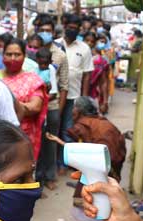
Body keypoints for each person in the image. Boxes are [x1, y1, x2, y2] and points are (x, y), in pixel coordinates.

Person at [0, 38, 48, 159]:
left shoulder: (32, 79)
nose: (12, 58)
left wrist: (7, 106)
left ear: (24, 56)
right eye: (9, 54)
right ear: (3, 55)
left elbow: (35, 106)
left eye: (17, 55)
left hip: (23, 136)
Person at [34, 14, 68, 190]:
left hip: (53, 106)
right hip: (33, 106)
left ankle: (49, 176)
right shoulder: (32, 51)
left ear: (54, 32)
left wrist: (59, 111)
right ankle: (35, 178)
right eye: (42, 30)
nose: (45, 33)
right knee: (35, 142)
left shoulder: (60, 55)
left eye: (48, 30)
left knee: (50, 142)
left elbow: (64, 85)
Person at [58, 14, 93, 148]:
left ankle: (65, 164)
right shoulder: (56, 44)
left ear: (79, 30)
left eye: (75, 28)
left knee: (69, 131)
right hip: (55, 97)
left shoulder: (84, 49)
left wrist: (82, 99)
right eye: (70, 27)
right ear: (65, 27)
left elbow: (87, 75)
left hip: (73, 97)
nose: (72, 30)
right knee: (54, 128)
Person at [83, 32, 109, 114]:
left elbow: (104, 82)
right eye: (87, 40)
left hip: (92, 96)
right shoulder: (77, 56)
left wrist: (105, 102)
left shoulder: (100, 61)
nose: (89, 43)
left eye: (91, 41)